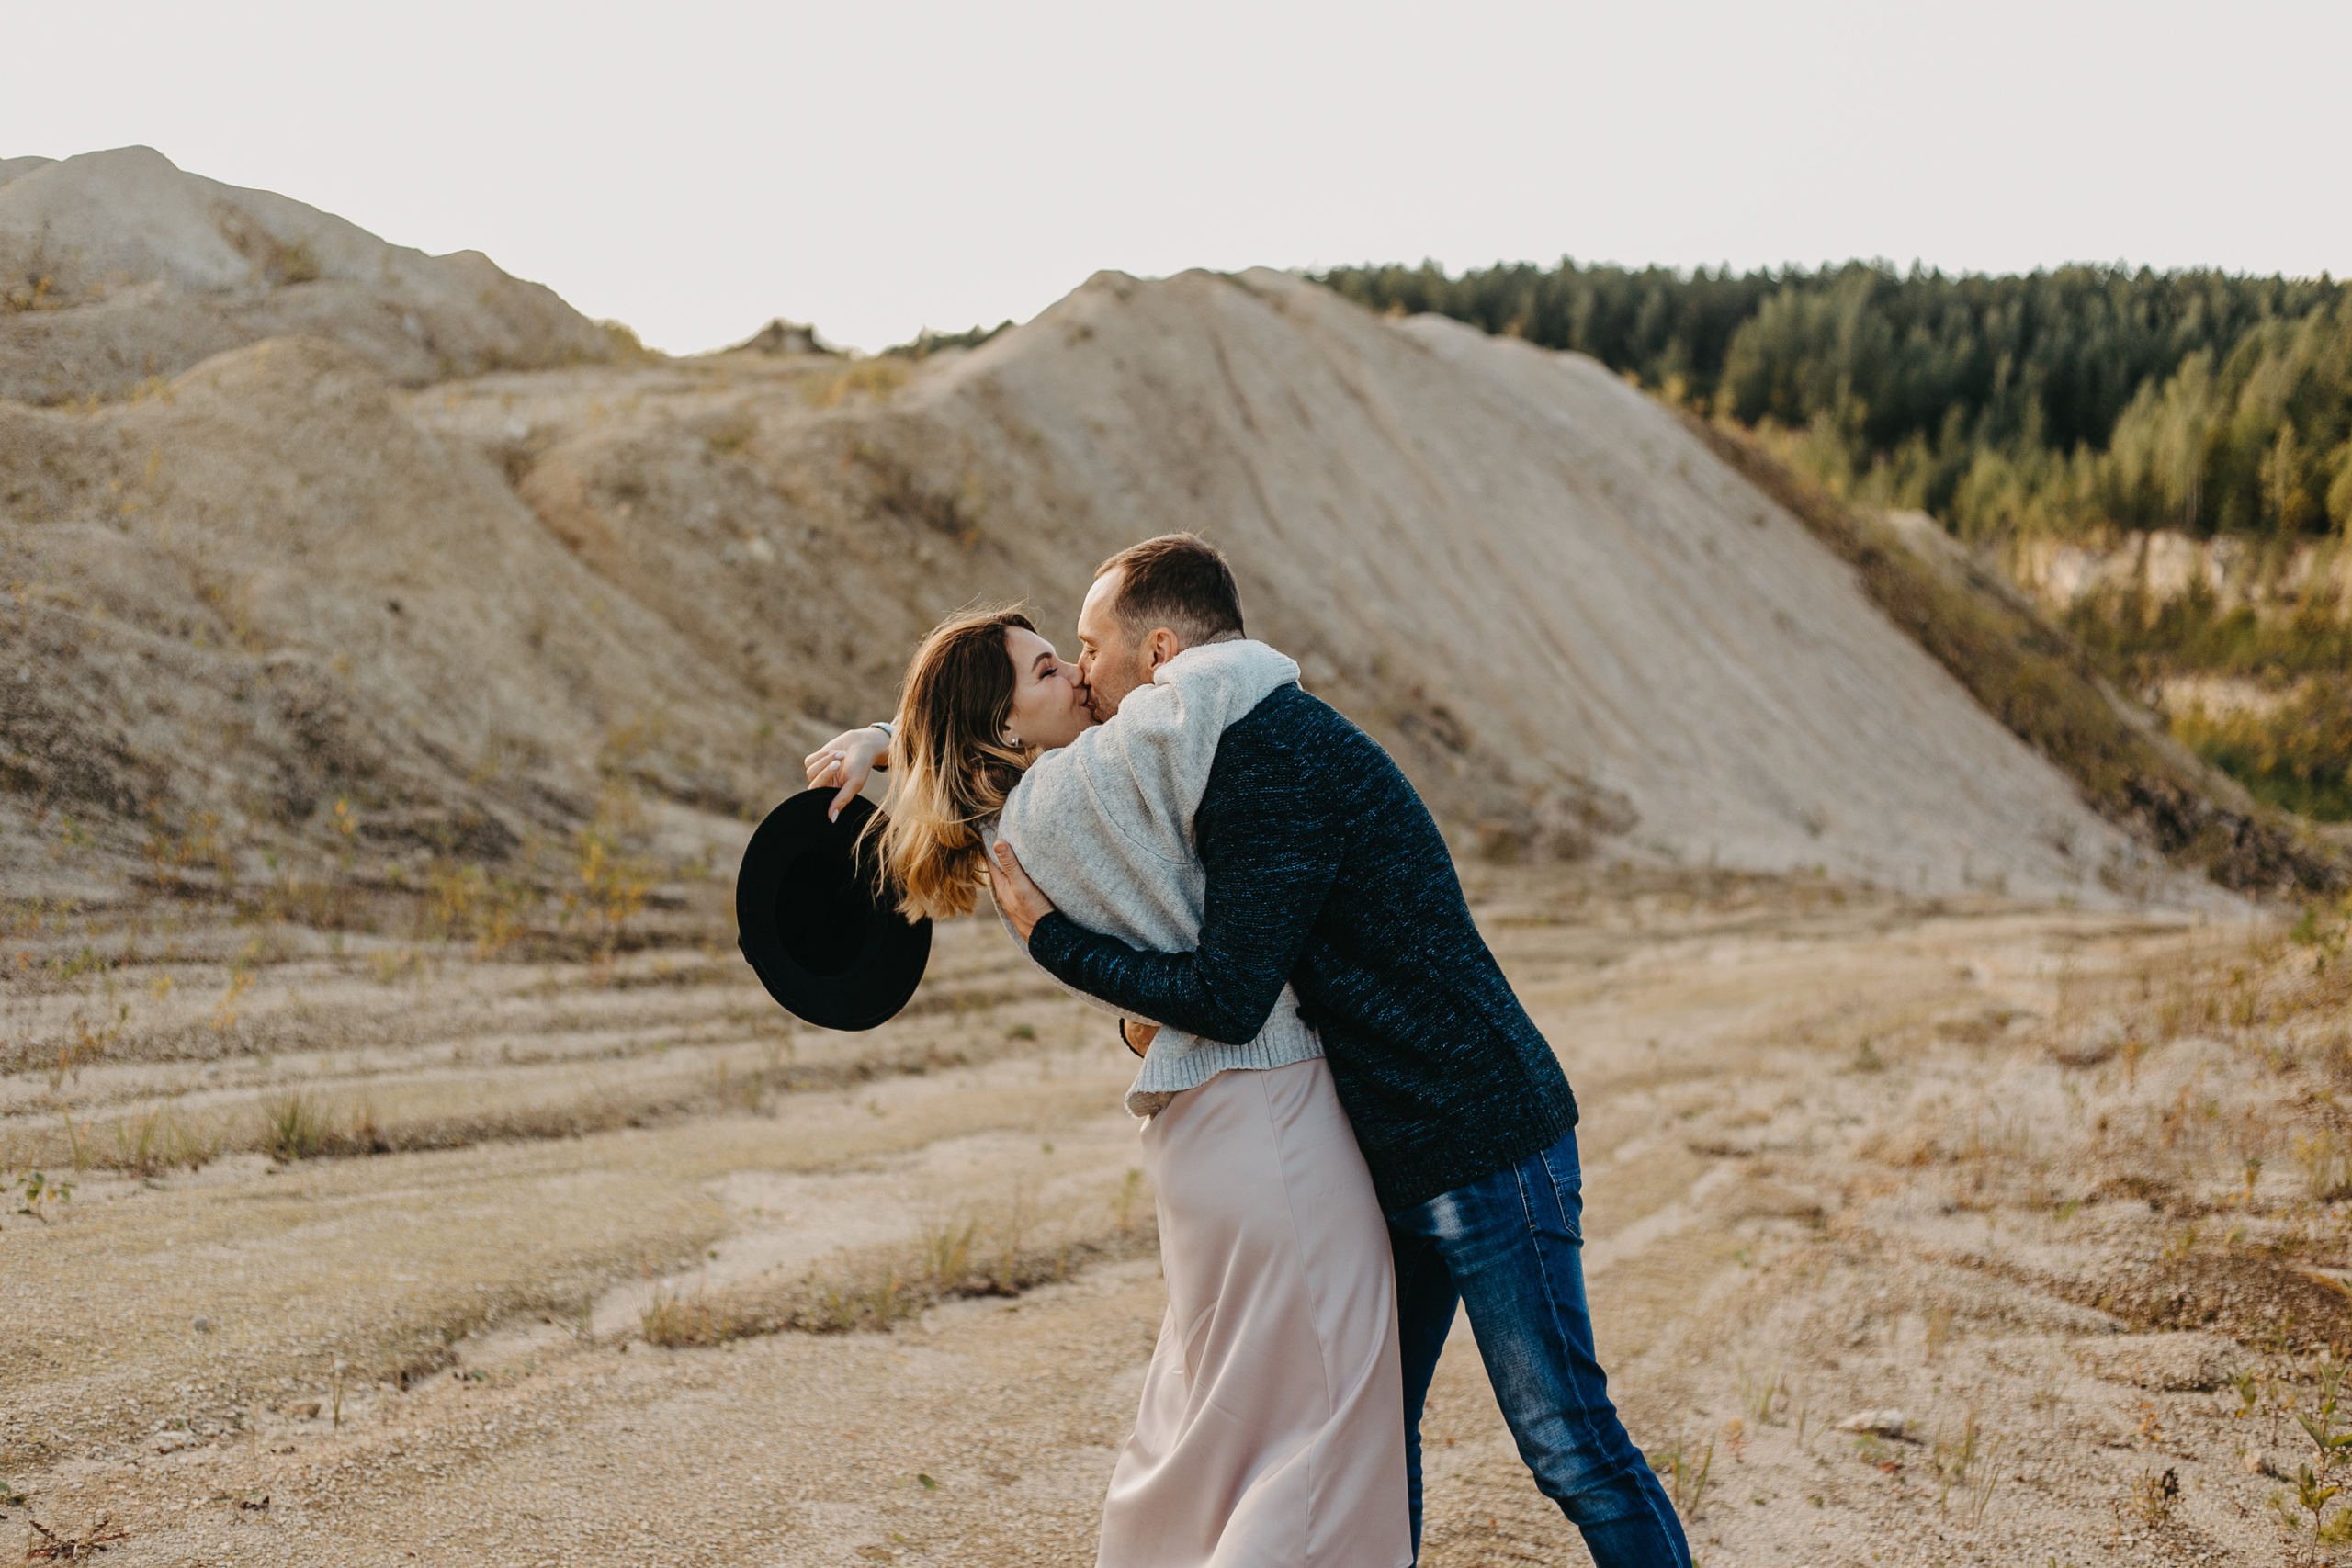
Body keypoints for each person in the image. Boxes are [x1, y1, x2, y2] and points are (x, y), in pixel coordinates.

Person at [974, 536, 1694, 1568]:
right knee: (1369, 1448)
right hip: (1392, 1153)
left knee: (1568, 1444)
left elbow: (1228, 998)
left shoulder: (1266, 752)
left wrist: (1052, 941)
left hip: (1485, 1143)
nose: (1081, 672)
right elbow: (1012, 754)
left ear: (1160, 651)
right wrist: (891, 748)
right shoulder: (1226, 738)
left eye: (1089, 646)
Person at [805, 570, 1409, 1568]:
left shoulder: (1017, 830)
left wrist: (888, 738)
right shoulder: (1091, 782)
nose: (1083, 676)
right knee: (1326, 1434)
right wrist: (1213, 647)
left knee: (1203, 1427)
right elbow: (1218, 688)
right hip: (1272, 1117)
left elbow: (962, 746)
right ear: (1004, 729)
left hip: (1200, 1135)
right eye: (1051, 669)